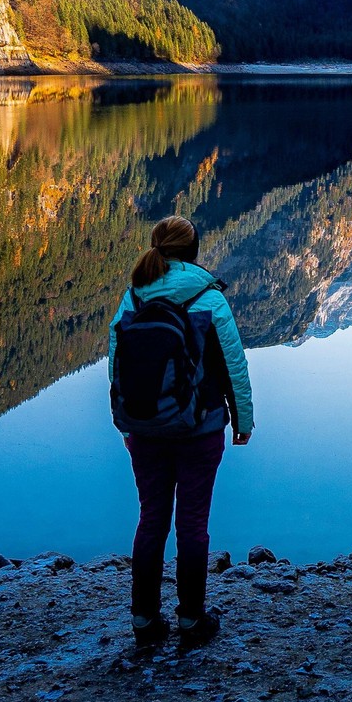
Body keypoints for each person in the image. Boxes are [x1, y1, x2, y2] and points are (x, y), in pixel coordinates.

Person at [107, 215, 254, 649]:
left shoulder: (134, 296)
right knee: (192, 524)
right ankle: (191, 620)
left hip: (146, 432)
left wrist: (125, 423)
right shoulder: (208, 297)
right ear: (193, 252)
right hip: (201, 429)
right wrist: (242, 422)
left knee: (151, 520)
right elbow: (233, 367)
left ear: (157, 248)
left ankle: (144, 621)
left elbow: (118, 367)